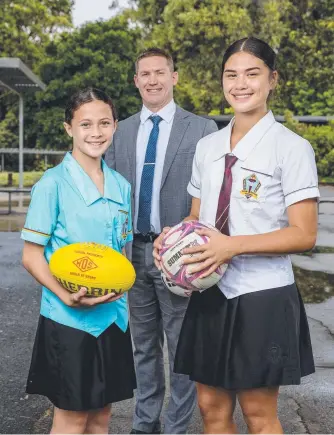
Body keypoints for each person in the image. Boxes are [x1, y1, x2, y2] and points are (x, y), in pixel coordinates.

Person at [154, 37, 319, 434]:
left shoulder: (292, 148)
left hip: (262, 294)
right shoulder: (207, 146)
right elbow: (197, 217)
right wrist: (172, 239)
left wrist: (232, 246)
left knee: (259, 415)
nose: (240, 84)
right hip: (211, 292)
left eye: (252, 74)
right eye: (231, 74)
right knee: (211, 409)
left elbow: (304, 234)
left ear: (272, 79)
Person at [105, 47, 217, 434]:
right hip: (132, 252)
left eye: (160, 72)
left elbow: (213, 196)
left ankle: (176, 427)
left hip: (178, 255)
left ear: (175, 77)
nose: (152, 80)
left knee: (181, 346)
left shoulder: (202, 129)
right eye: (145, 74)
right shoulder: (120, 130)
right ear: (135, 81)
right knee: (143, 347)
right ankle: (144, 423)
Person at [21, 88, 136, 434]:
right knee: (72, 418)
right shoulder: (52, 184)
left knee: (101, 416)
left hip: (113, 318)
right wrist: (64, 293)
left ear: (115, 126)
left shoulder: (121, 187)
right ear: (69, 128)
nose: (95, 132)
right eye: (85, 124)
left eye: (104, 123)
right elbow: (31, 256)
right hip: (69, 319)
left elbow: (120, 254)